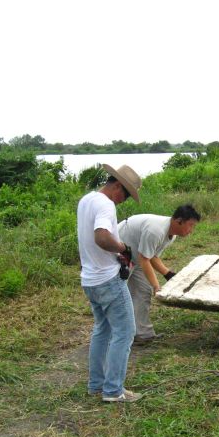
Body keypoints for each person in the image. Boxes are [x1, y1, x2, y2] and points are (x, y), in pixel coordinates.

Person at [77, 163, 143, 403]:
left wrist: (117, 255)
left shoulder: (87, 200)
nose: (122, 201)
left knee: (103, 330)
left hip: (90, 279)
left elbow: (93, 241)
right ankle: (113, 391)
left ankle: (96, 385)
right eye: (124, 195)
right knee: (125, 333)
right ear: (117, 185)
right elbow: (102, 237)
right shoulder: (106, 204)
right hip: (107, 279)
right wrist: (123, 248)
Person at [118, 205, 202, 343]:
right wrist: (157, 286)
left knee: (143, 291)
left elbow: (152, 256)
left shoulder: (171, 235)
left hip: (136, 255)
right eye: (190, 225)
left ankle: (142, 335)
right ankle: (116, 336)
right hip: (117, 253)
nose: (191, 230)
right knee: (117, 295)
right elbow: (145, 259)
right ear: (179, 221)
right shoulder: (156, 231)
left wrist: (168, 274)